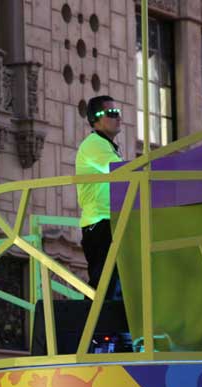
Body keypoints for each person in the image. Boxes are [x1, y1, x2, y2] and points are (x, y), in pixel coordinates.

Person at [75, 95, 123, 299]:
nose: (117, 117)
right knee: (102, 283)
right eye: (111, 113)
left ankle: (102, 328)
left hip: (107, 222)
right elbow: (120, 171)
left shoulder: (106, 146)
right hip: (99, 224)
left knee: (110, 283)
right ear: (95, 119)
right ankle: (93, 328)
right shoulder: (94, 144)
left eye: (118, 113)